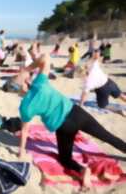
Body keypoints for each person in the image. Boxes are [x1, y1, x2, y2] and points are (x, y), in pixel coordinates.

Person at [15, 53, 126, 190]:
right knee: (107, 136)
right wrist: (27, 69)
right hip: (77, 113)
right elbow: (45, 57)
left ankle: (82, 170)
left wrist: (21, 151)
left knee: (65, 159)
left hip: (64, 127)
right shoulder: (40, 83)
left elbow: (25, 131)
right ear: (27, 82)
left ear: (17, 91)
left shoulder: (25, 107)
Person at [80, 49, 126, 116]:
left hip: (102, 90)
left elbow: (84, 96)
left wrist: (80, 105)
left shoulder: (88, 82)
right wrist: (96, 53)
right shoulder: (93, 67)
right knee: (121, 95)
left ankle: (118, 110)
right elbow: (94, 58)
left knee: (103, 105)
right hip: (109, 82)